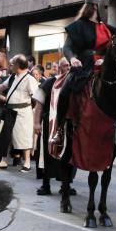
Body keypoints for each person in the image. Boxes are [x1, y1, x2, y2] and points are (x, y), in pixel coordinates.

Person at [49, 0, 116, 146]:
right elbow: (67, 47)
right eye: (104, 6)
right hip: (82, 66)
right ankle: (59, 129)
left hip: (103, 68)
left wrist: (105, 60)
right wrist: (72, 59)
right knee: (65, 93)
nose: (106, 10)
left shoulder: (107, 28)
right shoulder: (78, 26)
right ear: (94, 6)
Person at [0, 55, 39, 171]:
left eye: (13, 64)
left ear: (18, 65)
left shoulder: (30, 79)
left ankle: (27, 163)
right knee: (6, 136)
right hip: (10, 110)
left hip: (23, 112)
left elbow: (35, 98)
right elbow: (1, 86)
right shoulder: (13, 77)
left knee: (23, 137)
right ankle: (3, 160)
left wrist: (31, 111)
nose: (10, 66)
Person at [33, 58, 75, 196]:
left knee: (68, 156)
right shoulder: (49, 82)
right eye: (65, 65)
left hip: (68, 125)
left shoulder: (75, 82)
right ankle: (46, 185)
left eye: (69, 65)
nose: (68, 68)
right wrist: (36, 123)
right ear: (59, 68)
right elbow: (39, 103)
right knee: (46, 155)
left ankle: (66, 185)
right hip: (49, 124)